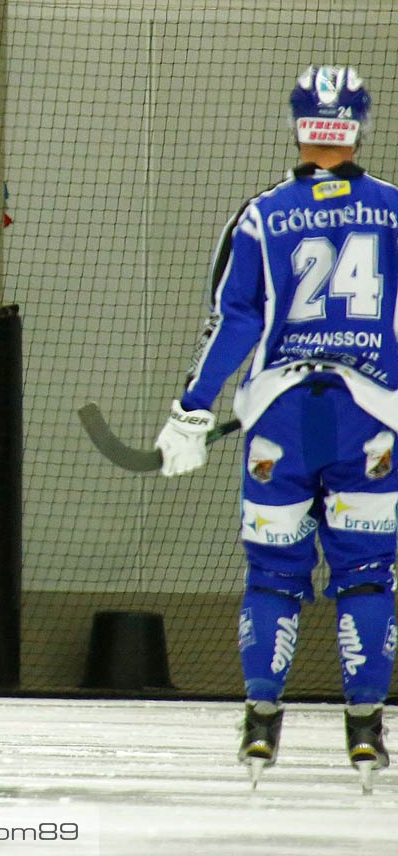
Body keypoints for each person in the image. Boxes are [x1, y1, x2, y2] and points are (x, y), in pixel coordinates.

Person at [155, 67, 397, 790]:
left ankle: (262, 721)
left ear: (299, 122)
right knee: (367, 574)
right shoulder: (396, 211)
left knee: (273, 575)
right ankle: (365, 729)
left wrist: (192, 410)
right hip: (372, 423)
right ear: (358, 123)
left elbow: (234, 320)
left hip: (279, 422)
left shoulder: (262, 215)